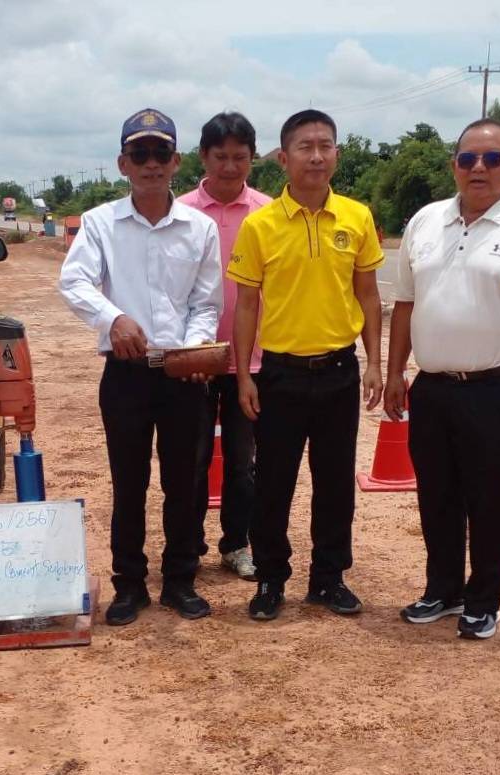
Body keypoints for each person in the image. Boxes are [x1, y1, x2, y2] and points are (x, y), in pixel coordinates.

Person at [385, 118, 500, 640]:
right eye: (468, 159)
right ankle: (442, 590)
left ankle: (483, 600)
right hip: (433, 386)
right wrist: (396, 371)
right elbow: (405, 304)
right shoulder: (426, 221)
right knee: (436, 495)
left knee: (488, 497)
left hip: (498, 388)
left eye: (492, 159)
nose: (479, 168)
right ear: (455, 165)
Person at [58, 108, 223, 625]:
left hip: (182, 376)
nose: (151, 163)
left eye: (160, 153)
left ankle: (180, 580)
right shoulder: (100, 224)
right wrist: (113, 318)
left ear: (176, 161)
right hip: (125, 375)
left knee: (184, 483)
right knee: (128, 482)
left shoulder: (200, 228)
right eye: (140, 153)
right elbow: (75, 281)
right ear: (122, 163)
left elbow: (206, 302)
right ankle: (129, 585)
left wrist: (193, 350)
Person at [229, 109, 385, 621]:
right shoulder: (260, 225)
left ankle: (328, 578)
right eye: (305, 147)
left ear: (337, 153)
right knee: (273, 483)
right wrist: (245, 375)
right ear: (283, 158)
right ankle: (271, 579)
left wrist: (374, 363)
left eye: (325, 146)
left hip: (339, 372)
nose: (316, 156)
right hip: (280, 374)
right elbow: (246, 306)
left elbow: (368, 295)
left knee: (336, 482)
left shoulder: (357, 218)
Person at [177, 111, 270, 581]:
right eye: (221, 157)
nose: (230, 167)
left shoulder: (269, 214)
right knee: (191, 459)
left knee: (242, 462)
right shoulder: (180, 213)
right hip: (193, 359)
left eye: (240, 157)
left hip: (250, 362)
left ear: (253, 158)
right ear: (203, 157)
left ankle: (237, 543)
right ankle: (188, 544)